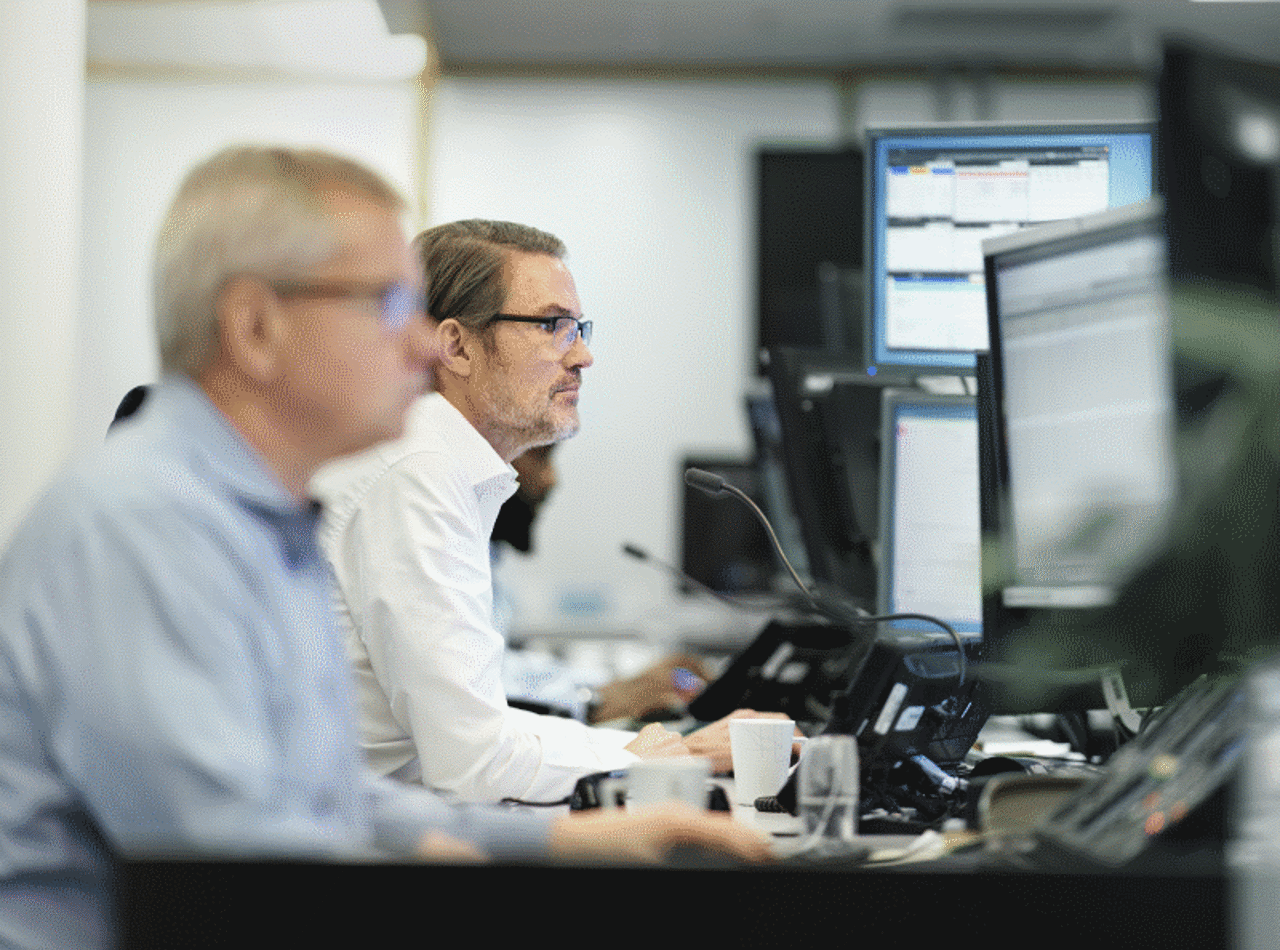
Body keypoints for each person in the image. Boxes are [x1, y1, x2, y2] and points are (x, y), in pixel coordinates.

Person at [0, 147, 769, 950]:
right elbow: (228, 872)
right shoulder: (145, 530)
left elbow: (331, 796)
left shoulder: (262, 519)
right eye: (388, 304)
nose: (419, 347)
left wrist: (569, 842)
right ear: (255, 328)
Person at [312, 219, 782, 805]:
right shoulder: (417, 475)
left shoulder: (438, 468)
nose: (583, 355)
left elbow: (484, 728)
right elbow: (476, 762)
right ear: (456, 346)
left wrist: (663, 747)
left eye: (579, 327)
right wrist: (681, 753)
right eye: (552, 326)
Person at [493, 443, 712, 723]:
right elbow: (482, 693)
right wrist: (596, 702)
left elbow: (500, 668)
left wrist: (614, 685)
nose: (552, 479)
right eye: (542, 456)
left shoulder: (488, 554)